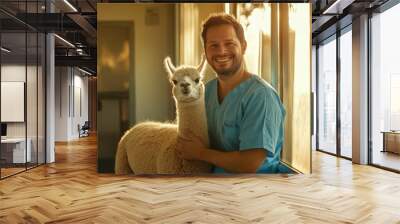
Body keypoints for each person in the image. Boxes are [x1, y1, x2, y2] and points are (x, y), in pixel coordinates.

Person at [176, 13, 289, 174]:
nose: (221, 51)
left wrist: (200, 153)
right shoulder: (204, 93)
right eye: (213, 45)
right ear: (205, 52)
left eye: (229, 43)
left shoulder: (260, 96)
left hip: (256, 190)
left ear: (243, 46)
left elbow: (250, 163)